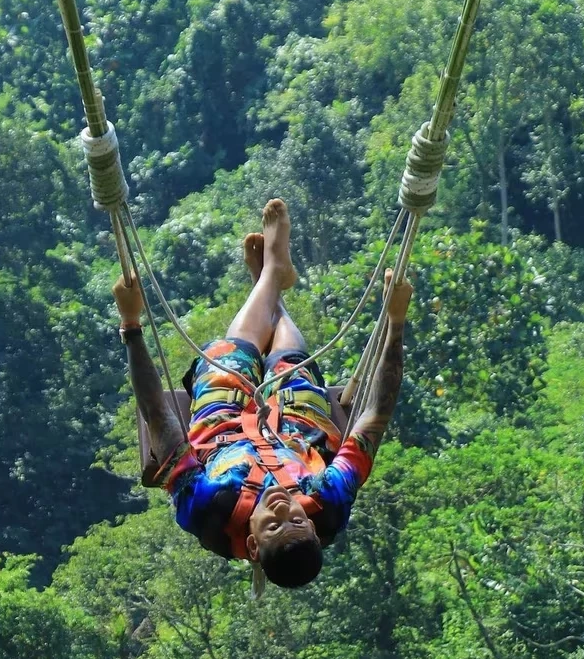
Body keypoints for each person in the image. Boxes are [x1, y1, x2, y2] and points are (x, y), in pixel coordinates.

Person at [113, 198, 412, 589]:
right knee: (290, 363)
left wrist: (131, 324)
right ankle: (272, 277)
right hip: (298, 431)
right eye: (298, 519)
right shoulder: (328, 499)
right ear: (314, 528)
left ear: (253, 544)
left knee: (231, 356)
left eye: (274, 523)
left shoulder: (208, 506)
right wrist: (396, 321)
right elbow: (376, 418)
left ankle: (270, 276)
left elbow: (158, 416)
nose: (283, 507)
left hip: (226, 431)